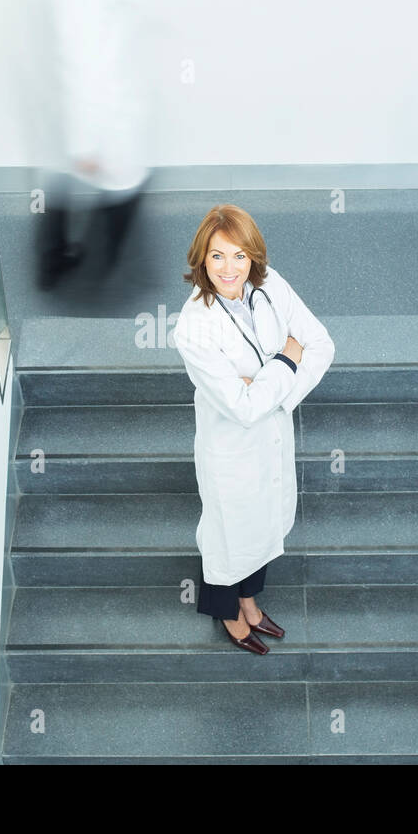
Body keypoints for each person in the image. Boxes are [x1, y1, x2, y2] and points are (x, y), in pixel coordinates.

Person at [172, 205, 334, 655]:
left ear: (253, 258)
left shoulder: (269, 284)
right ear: (201, 258)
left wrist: (270, 390)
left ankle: (249, 600)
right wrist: (285, 359)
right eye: (218, 256)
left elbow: (321, 343)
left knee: (263, 527)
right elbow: (243, 410)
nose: (230, 269)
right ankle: (228, 611)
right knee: (228, 535)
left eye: (240, 256)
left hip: (272, 437)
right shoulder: (193, 328)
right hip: (231, 448)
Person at [39, 0, 150, 291]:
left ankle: (73, 269)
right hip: (98, 110)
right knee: (114, 192)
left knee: (102, 191)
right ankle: (89, 285)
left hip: (107, 107)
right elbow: (80, 60)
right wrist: (83, 140)